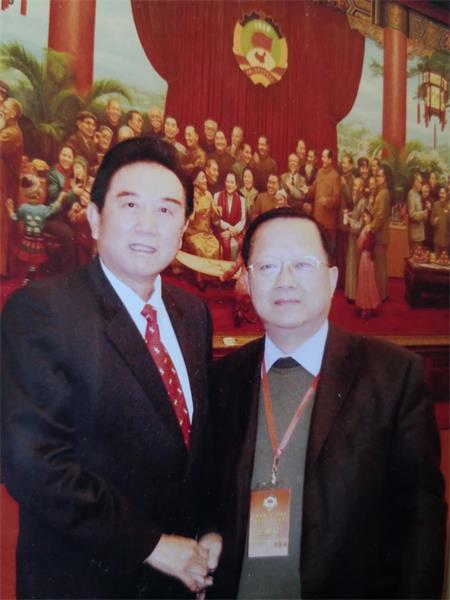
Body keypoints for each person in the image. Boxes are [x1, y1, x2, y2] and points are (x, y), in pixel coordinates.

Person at [2, 137, 222, 599]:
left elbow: (194, 448)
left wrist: (211, 528)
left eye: (166, 210)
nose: (148, 226)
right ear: (95, 217)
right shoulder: (43, 311)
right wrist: (152, 545)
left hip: (180, 577)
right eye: (130, 204)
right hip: (87, 580)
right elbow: (32, 464)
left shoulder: (193, 313)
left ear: (184, 227)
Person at [208, 207, 446, 600]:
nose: (285, 281)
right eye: (267, 267)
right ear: (246, 281)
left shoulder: (393, 376)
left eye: (302, 264)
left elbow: (422, 518)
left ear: (332, 278)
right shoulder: (223, 378)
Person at [183, 167, 221, 290]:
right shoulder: (190, 197)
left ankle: (213, 277)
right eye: (202, 178)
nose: (205, 180)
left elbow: (215, 217)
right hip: (193, 234)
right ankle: (200, 280)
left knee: (216, 246)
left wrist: (218, 212)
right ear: (195, 182)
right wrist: (193, 209)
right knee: (199, 247)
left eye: (205, 177)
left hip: (207, 233)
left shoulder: (208, 195)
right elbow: (189, 219)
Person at [44, 143, 79, 274]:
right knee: (68, 234)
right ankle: (68, 275)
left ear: (73, 159)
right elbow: (54, 199)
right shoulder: (53, 174)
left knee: (83, 231)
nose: (66, 158)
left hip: (64, 216)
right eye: (64, 155)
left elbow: (72, 199)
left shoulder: (72, 174)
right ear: (59, 155)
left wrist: (75, 203)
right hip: (51, 216)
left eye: (69, 156)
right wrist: (73, 193)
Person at [0, 97, 24, 276]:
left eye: (5, 107)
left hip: (5, 187)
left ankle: (3, 269)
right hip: (4, 185)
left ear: (14, 114)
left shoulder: (12, 133)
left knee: (3, 227)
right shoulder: (9, 130)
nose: (2, 108)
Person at [308, 148, 340, 240]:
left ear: (330, 160)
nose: (322, 159)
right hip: (317, 219)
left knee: (327, 247)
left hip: (328, 223)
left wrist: (327, 201)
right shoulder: (319, 172)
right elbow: (314, 188)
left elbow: (337, 199)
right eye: (322, 157)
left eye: (324, 157)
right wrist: (307, 189)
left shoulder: (335, 176)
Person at [343, 177, 367, 303]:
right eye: (353, 186)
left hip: (357, 240)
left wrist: (349, 220)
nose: (353, 188)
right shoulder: (358, 201)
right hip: (352, 238)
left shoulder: (363, 202)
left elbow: (360, 226)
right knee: (351, 264)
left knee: (353, 266)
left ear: (361, 188)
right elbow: (357, 217)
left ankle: (353, 295)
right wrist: (351, 214)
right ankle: (350, 294)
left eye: (356, 186)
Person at [213, 171, 246, 261]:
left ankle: (236, 269)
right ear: (224, 182)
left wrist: (231, 232)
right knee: (225, 245)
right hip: (221, 230)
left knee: (241, 243)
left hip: (235, 231)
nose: (229, 185)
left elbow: (242, 221)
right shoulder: (217, 196)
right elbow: (215, 219)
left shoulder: (241, 200)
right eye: (227, 181)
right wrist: (228, 227)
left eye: (232, 182)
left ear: (236, 185)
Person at [370, 166, 391, 302]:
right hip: (380, 235)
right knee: (380, 266)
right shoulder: (381, 192)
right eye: (377, 175)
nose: (377, 178)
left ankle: (382, 295)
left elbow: (380, 216)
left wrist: (371, 228)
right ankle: (382, 293)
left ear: (385, 178)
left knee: (380, 267)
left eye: (380, 176)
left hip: (380, 235)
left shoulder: (383, 193)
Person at [355, 208, 380, 319]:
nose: (364, 218)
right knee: (369, 280)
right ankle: (370, 305)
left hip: (365, 256)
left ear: (369, 217)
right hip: (369, 257)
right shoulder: (371, 229)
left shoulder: (367, 229)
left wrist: (360, 243)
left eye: (365, 216)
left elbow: (360, 244)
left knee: (365, 280)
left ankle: (366, 307)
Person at [66, 110, 98, 175]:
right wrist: (95, 169)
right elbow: (75, 167)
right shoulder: (73, 141)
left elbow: (95, 163)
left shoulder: (91, 143)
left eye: (93, 125)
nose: (91, 127)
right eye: (88, 123)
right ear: (79, 124)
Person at [407, 172, 428, 253]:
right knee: (415, 257)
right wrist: (423, 214)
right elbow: (412, 214)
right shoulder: (411, 194)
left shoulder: (418, 195)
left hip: (420, 234)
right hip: (415, 235)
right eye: (420, 182)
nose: (421, 185)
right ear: (415, 182)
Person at [431, 186, 450, 257]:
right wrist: (434, 221)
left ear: (446, 194)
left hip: (446, 241)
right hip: (437, 240)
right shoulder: (435, 205)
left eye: (443, 193)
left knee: (445, 261)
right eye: (441, 193)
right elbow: (431, 221)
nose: (442, 195)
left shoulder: (448, 206)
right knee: (436, 261)